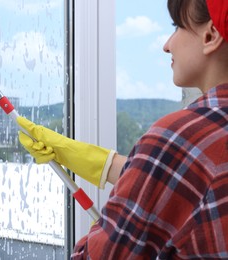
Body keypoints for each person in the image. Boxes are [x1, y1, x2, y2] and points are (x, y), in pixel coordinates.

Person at [17, 0, 228, 258]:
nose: (167, 45)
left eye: (178, 27)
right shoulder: (203, 142)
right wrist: (96, 161)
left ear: (211, 35)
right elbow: (188, 178)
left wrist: (107, 230)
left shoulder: (183, 137)